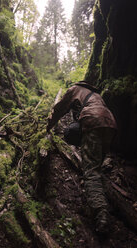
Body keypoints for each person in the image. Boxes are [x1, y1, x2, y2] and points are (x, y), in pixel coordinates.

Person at [46, 81, 117, 233]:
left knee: (90, 171)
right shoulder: (96, 95)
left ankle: (101, 213)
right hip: (110, 124)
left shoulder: (74, 89)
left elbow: (59, 109)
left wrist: (47, 127)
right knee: (96, 167)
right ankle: (98, 194)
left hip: (93, 121)